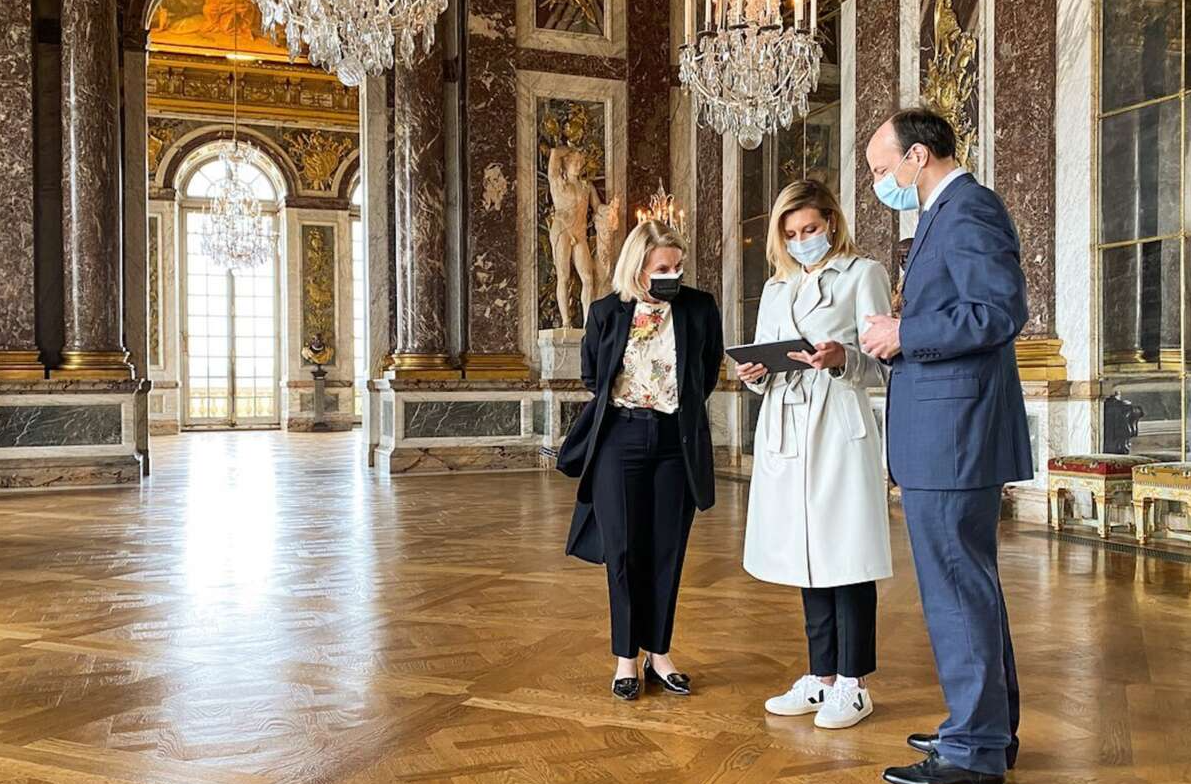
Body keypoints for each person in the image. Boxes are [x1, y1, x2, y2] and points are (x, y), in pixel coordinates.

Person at [862, 108, 1032, 784]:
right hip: (946, 433)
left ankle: (971, 752)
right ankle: (986, 731)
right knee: (967, 588)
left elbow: (998, 311)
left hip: (954, 437)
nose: (879, 184)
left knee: (956, 591)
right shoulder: (943, 214)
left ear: (918, 156)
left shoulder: (969, 208)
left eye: (882, 169)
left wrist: (904, 334)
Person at [736, 180, 893, 730]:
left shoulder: (863, 275)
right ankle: (821, 675)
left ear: (831, 222)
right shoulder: (776, 288)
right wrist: (753, 373)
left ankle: (854, 683)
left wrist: (841, 357)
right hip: (785, 427)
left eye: (810, 229)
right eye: (791, 233)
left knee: (847, 554)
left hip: (838, 426)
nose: (802, 240)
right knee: (808, 554)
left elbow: (886, 362)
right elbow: (763, 360)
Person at [556, 220, 724, 701]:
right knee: (625, 551)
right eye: (662, 268)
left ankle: (660, 653)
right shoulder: (606, 311)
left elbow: (706, 371)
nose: (673, 275)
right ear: (637, 268)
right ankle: (625, 658)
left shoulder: (699, 307)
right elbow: (593, 374)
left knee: (668, 550)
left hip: (676, 440)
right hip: (620, 438)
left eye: (678, 266)